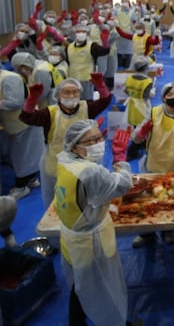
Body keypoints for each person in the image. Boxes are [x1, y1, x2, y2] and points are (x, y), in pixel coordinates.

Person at [55, 119, 132, 326]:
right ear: (74, 145)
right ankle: (115, 322)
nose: (98, 143)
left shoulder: (65, 160)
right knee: (103, 290)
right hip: (91, 243)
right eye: (90, 141)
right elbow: (123, 184)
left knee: (79, 286)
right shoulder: (90, 172)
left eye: (99, 137)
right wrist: (120, 158)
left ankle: (76, 321)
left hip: (71, 236)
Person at [19, 74, 112, 209]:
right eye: (67, 92)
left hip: (84, 161)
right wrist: (32, 100)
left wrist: (101, 86)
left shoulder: (86, 107)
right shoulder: (50, 113)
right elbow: (27, 117)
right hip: (56, 163)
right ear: (58, 95)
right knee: (56, 201)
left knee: (85, 197)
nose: (71, 96)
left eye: (75, 92)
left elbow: (105, 101)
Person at [129, 82, 174, 247]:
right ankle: (146, 233)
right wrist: (141, 132)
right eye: (170, 94)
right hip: (153, 163)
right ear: (163, 97)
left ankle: (168, 230)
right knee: (148, 199)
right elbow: (136, 138)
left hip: (173, 166)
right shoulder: (153, 112)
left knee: (170, 199)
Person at [0, 59, 44, 200]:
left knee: (21, 155)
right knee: (25, 154)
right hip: (12, 124)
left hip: (25, 121)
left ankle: (21, 186)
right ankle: (30, 179)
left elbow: (15, 102)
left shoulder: (9, 79)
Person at [66, 23, 111, 99]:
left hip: (86, 79)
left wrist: (105, 43)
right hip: (72, 78)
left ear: (87, 33)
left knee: (86, 102)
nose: (80, 34)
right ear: (74, 33)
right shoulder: (69, 47)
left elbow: (104, 51)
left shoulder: (92, 46)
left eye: (83, 32)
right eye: (78, 31)